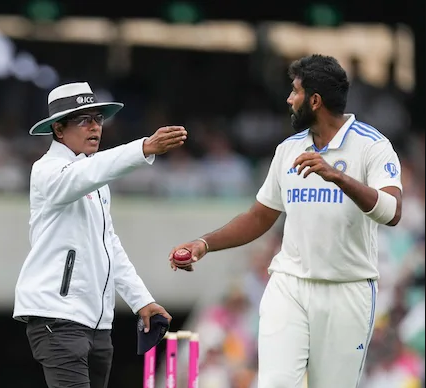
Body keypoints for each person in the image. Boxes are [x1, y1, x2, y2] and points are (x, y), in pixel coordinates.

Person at [168, 54, 403, 388]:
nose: (289, 100)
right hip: (289, 285)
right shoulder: (288, 150)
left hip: (348, 290)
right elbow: (260, 216)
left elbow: (392, 211)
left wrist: (337, 177)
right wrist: (204, 244)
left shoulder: (372, 146)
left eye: (295, 92)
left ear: (315, 100)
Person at [13, 81, 184, 388]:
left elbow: (109, 246)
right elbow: (85, 175)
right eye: (84, 120)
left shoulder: (95, 176)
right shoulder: (46, 170)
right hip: (58, 319)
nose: (95, 127)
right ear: (59, 129)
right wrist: (143, 147)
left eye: (99, 119)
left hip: (97, 325)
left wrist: (142, 301)